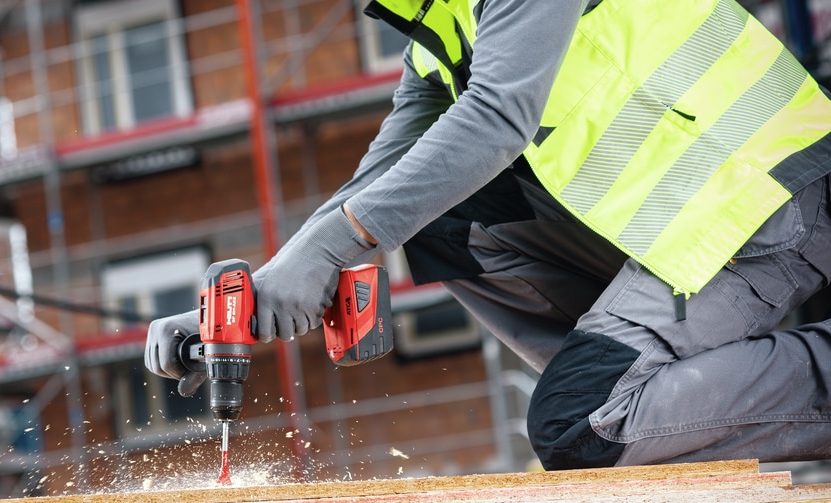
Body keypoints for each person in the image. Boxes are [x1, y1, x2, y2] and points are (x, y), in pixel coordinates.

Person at [145, 0, 831, 470]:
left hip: (761, 193)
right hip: (685, 221)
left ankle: (631, 403)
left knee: (580, 425)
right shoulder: (447, 22)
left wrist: (329, 249)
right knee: (438, 211)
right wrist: (266, 284)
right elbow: (392, 166)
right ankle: (651, 393)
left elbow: (499, 116)